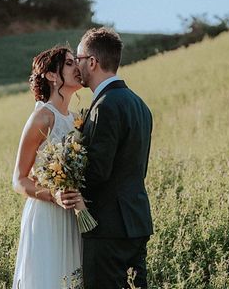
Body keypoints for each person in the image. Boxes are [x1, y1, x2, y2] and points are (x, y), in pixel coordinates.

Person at [75, 27, 154, 289]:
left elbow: (98, 170)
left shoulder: (105, 105)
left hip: (108, 227)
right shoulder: (140, 104)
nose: (77, 66)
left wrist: (66, 184)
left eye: (78, 60)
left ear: (92, 62)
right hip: (136, 222)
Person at [11, 45, 86, 289]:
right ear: (52, 76)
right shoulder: (43, 117)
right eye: (69, 63)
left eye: (76, 61)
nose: (77, 67)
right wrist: (54, 195)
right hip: (47, 214)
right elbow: (19, 180)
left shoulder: (76, 120)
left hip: (71, 216)